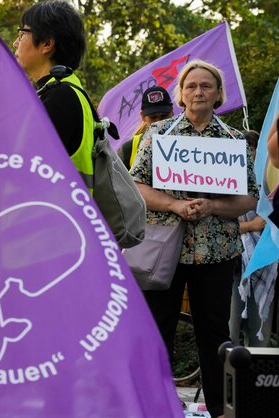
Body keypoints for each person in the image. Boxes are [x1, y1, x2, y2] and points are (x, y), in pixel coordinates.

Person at [130, 60, 257, 418]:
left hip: (214, 253)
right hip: (162, 252)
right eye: (191, 86)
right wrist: (174, 204)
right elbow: (136, 186)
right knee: (156, 331)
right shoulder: (159, 135)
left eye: (206, 86)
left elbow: (249, 197)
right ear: (181, 94)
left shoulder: (233, 141)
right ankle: (151, 405)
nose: (198, 92)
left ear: (219, 95)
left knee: (215, 333)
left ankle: (220, 409)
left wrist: (212, 206)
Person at [13, 0, 93, 189]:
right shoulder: (62, 90)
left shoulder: (61, 96)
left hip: (54, 214)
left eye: (22, 34)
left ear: (47, 44)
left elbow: (21, 170)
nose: (15, 43)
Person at [230, 130, 276, 347]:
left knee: (258, 334)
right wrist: (251, 226)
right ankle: (223, 379)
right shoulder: (223, 181)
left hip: (263, 265)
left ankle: (255, 380)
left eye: (250, 149)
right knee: (229, 329)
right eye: (242, 150)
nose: (247, 154)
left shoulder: (268, 181)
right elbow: (218, 227)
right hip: (232, 264)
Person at [117, 86, 175, 169]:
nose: (159, 122)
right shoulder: (129, 149)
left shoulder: (187, 143)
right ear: (143, 117)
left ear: (172, 112)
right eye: (153, 117)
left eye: (164, 116)